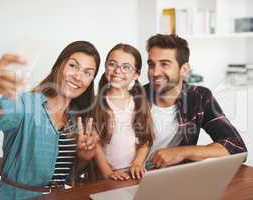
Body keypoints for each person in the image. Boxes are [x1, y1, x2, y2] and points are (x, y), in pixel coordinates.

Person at [0, 41, 100, 199]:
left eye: (87, 72)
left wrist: (83, 157)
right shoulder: (25, 103)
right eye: (73, 66)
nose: (78, 76)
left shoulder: (78, 121)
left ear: (91, 81)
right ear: (59, 65)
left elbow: (65, 174)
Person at [143, 34, 247, 169]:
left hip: (173, 178)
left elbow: (237, 148)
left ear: (184, 69)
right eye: (151, 64)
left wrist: (182, 152)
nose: (155, 72)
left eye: (164, 64)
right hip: (130, 178)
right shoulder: (133, 97)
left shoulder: (199, 97)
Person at [93, 43, 154, 180]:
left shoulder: (140, 103)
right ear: (105, 67)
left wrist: (137, 163)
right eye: (112, 64)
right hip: (104, 177)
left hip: (133, 175)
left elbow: (146, 140)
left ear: (136, 74)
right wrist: (108, 173)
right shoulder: (95, 103)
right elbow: (95, 145)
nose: (117, 70)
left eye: (126, 67)